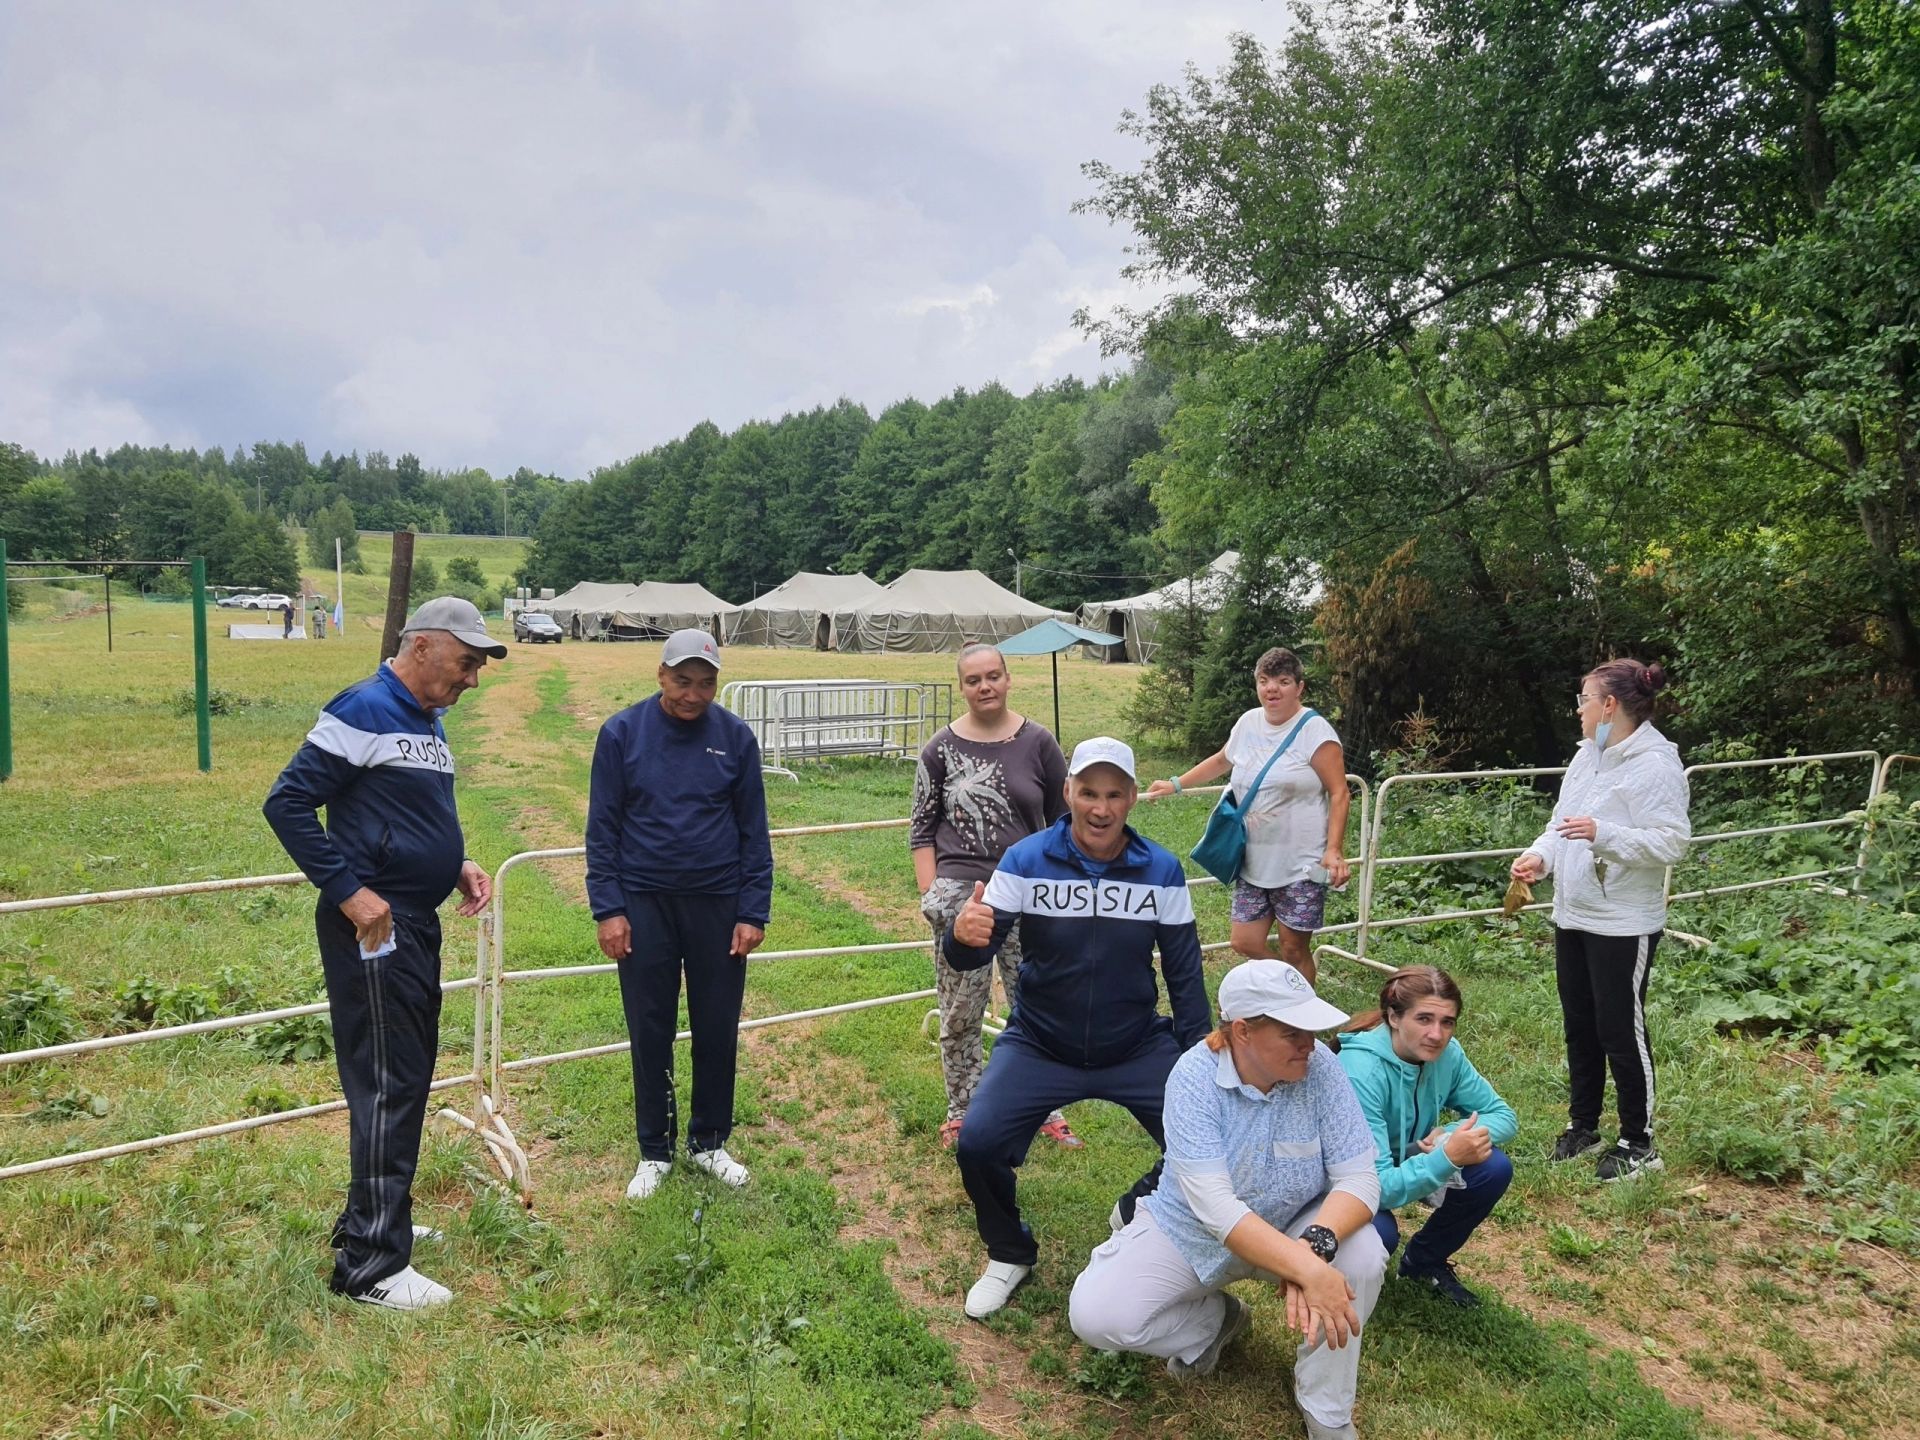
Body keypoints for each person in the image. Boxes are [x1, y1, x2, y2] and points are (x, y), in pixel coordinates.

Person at [263, 596, 505, 1311]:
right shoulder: (367, 706)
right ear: (424, 646)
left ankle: (374, 1221)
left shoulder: (425, 721)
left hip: (411, 917)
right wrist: (349, 891)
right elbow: (287, 803)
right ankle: (371, 1268)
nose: (473, 679)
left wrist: (454, 863)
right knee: (389, 1079)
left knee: (403, 1073)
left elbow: (405, 814)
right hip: (376, 927)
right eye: (466, 662)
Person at [946, 737, 1211, 1319]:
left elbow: (1186, 976)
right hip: (1040, 1041)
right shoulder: (1026, 859)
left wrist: (1203, 1061)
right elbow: (975, 951)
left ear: (1133, 798)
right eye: (1088, 792)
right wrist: (959, 937)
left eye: (1114, 794)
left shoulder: (1161, 872)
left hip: (1135, 1043)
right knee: (979, 1142)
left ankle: (1140, 1209)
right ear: (1068, 792)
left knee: (1210, 1138)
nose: (1100, 807)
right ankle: (1008, 1252)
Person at [1069, 961, 1383, 1440]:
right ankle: (1217, 1324)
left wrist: (1316, 1247)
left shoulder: (1322, 1067)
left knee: (1362, 1256)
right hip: (1190, 1228)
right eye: (1292, 1032)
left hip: (1298, 1222)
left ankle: (1327, 1408)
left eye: (1311, 1030)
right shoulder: (1193, 1078)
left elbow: (1359, 1176)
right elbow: (1217, 1209)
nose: (1309, 1044)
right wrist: (1308, 1271)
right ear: (1242, 1031)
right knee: (1096, 1316)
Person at [586, 629, 773, 1201]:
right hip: (644, 903)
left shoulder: (735, 738)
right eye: (683, 680)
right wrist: (609, 908)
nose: (694, 693)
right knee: (650, 1026)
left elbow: (753, 832)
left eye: (706, 682)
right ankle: (655, 1149)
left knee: (717, 1025)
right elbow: (603, 828)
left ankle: (710, 1141)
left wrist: (752, 909)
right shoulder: (621, 733)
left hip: (718, 904)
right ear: (661, 674)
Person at [1511, 659, 1689, 1182]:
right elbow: (1559, 826)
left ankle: (1639, 1141)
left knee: (1620, 1030)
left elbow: (1672, 842)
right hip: (1575, 913)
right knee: (1580, 1027)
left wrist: (1604, 834)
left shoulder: (1655, 764)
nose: (1579, 711)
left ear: (1610, 706)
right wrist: (1539, 858)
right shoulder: (1587, 757)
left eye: (1585, 700)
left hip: (1623, 922)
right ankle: (1583, 1125)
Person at [909, 642, 1077, 1150]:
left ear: (1007, 679)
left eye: (993, 676)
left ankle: (1043, 1104)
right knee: (961, 1006)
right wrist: (932, 897)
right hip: (963, 897)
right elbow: (921, 830)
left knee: (1037, 1001)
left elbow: (1063, 821)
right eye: (973, 680)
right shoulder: (939, 749)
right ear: (962, 686)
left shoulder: (1040, 743)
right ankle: (963, 1110)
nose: (985, 687)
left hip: (1027, 888)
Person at [1145, 646, 1349, 984]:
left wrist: (1333, 850)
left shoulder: (1316, 731)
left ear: (1299, 687)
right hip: (1253, 859)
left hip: (1299, 862)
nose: (1272, 689)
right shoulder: (1249, 722)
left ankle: (1298, 1019)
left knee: (1294, 949)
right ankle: (1288, 987)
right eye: (1264, 680)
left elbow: (1340, 792)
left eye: (1283, 681)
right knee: (1244, 941)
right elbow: (1223, 760)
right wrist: (1176, 784)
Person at [1335, 966, 1516, 1307]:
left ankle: (1423, 1263)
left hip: (1403, 1157)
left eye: (1447, 1022)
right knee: (1381, 1234)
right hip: (1347, 1177)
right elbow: (1380, 1187)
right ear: (1393, 1017)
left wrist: (1449, 1135)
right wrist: (1445, 1158)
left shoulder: (1448, 1054)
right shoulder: (1361, 1070)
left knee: (1492, 1169)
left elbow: (1504, 1116)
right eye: (1424, 1019)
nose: (1437, 1034)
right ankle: (1315, 1265)